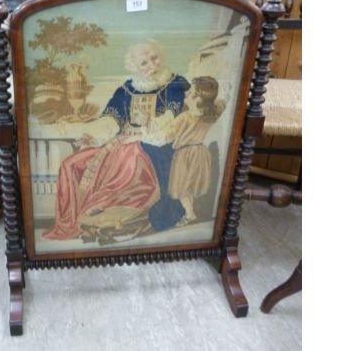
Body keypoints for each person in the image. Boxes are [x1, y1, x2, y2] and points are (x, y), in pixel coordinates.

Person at [42, 39, 190, 240]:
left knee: (128, 160)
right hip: (122, 143)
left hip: (156, 146)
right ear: (134, 67)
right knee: (72, 164)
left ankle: (110, 213)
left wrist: (146, 125)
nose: (152, 65)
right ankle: (86, 217)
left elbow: (171, 122)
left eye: (154, 58)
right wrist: (94, 137)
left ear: (161, 56)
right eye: (144, 63)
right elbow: (111, 120)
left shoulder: (175, 84)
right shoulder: (127, 89)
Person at [142, 76, 226, 226]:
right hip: (200, 154)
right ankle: (190, 212)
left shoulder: (185, 117)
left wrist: (144, 131)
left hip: (185, 156)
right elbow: (222, 102)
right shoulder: (210, 114)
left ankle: (189, 215)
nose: (186, 94)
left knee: (182, 189)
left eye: (191, 92)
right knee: (189, 187)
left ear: (198, 98)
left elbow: (163, 138)